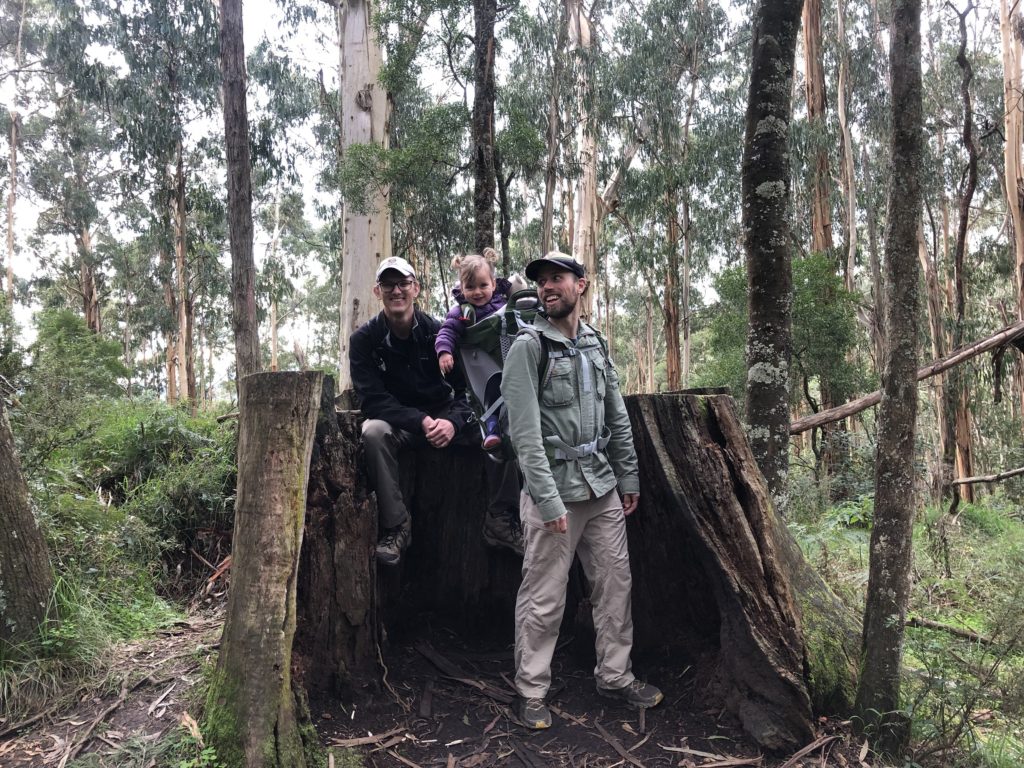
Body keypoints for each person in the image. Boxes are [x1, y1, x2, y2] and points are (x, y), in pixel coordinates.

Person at [500, 252, 663, 729]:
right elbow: (524, 435)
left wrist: (628, 476)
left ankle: (615, 676)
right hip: (555, 496)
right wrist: (548, 500)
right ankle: (531, 690)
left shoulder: (595, 342)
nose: (549, 287)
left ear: (581, 285)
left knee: (615, 586)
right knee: (544, 597)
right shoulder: (528, 348)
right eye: (542, 281)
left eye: (558, 278)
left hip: (602, 488)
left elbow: (616, 414)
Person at [349, 255, 522, 565]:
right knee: (372, 432)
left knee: (502, 427)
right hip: (400, 423)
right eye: (388, 284)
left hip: (446, 417)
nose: (396, 290)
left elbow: (469, 389)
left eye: (403, 283)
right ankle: (398, 526)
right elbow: (372, 399)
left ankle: (500, 517)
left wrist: (453, 422)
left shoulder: (438, 332)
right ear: (378, 291)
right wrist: (421, 421)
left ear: (416, 288)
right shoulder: (364, 341)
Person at [435, 247, 513, 452]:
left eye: (483, 285)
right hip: (484, 369)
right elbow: (447, 331)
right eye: (470, 287)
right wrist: (444, 352)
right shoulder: (461, 312)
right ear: (461, 288)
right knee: (489, 397)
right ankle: (492, 429)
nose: (477, 292)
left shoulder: (504, 304)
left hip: (510, 360)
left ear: (494, 284)